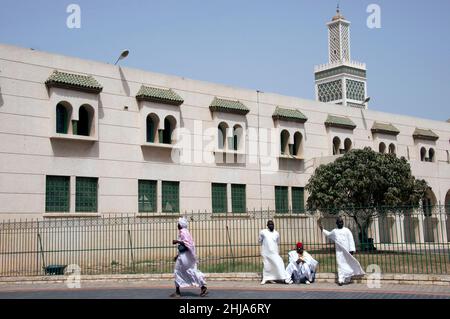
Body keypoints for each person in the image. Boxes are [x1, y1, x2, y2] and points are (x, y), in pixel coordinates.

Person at [318, 217, 365, 286]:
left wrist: (352, 249)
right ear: (336, 223)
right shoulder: (335, 231)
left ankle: (348, 279)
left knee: (348, 264)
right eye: (339, 222)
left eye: (342, 222)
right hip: (339, 252)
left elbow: (351, 240)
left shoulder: (347, 230)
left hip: (347, 251)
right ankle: (341, 280)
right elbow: (328, 234)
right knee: (340, 265)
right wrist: (321, 228)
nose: (341, 223)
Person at [171, 217, 208, 297]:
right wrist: (177, 255)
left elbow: (187, 243)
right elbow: (184, 244)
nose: (177, 225)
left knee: (187, 271)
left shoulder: (184, 232)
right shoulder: (184, 232)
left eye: (178, 224)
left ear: (181, 225)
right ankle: (178, 291)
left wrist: (177, 241)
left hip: (185, 256)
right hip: (183, 256)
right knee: (180, 271)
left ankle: (203, 287)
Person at [259, 220, 291, 285]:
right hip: (266, 252)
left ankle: (284, 278)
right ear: (267, 226)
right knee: (267, 266)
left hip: (274, 252)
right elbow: (260, 240)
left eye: (272, 224)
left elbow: (277, 242)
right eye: (270, 224)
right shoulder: (263, 232)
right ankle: (265, 279)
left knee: (279, 263)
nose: (271, 226)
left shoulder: (276, 233)